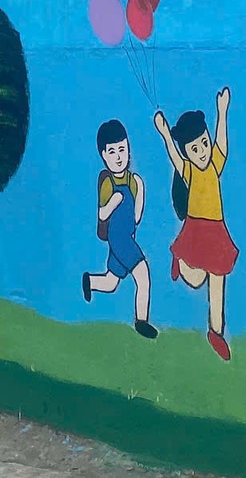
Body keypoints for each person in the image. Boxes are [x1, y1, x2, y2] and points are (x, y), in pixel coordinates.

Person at [154, 86, 237, 360]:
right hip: (196, 228)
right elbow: (174, 156)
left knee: (218, 278)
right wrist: (165, 133)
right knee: (197, 277)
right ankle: (179, 259)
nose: (201, 151)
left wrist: (222, 111)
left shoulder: (214, 165)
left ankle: (216, 331)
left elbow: (222, 143)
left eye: (204, 143)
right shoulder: (189, 171)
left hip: (216, 230)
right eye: (195, 148)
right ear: (187, 152)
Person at [81, 119, 155, 339]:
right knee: (143, 275)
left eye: (122, 149)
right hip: (119, 238)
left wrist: (140, 191)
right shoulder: (107, 182)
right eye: (112, 152)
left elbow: (136, 217)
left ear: (128, 148)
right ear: (104, 155)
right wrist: (115, 200)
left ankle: (90, 281)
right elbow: (102, 214)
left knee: (112, 282)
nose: (118, 156)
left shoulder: (134, 181)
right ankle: (141, 321)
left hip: (127, 236)